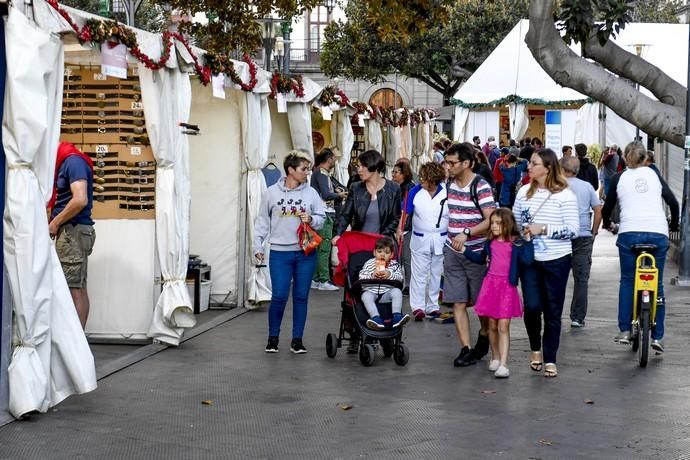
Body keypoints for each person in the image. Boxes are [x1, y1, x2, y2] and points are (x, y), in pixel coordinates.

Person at [602, 141, 679, 353]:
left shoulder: (619, 178)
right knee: (659, 284)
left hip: (629, 234)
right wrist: (672, 225)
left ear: (625, 158)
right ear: (645, 158)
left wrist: (607, 223)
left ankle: (625, 330)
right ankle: (658, 336)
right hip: (658, 234)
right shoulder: (654, 175)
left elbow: (608, 206)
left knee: (628, 280)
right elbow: (673, 202)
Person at [513, 148, 578, 378]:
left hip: (557, 261)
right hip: (530, 259)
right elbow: (516, 224)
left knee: (553, 310)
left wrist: (544, 229)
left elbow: (573, 230)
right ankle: (535, 349)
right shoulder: (523, 193)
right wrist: (523, 232)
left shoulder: (565, 195)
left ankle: (550, 357)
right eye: (530, 163)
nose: (529, 167)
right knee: (531, 307)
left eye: (534, 163)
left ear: (548, 167)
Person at [254, 152, 326, 354]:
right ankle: (273, 337)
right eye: (303, 169)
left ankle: (297, 339)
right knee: (278, 296)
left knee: (301, 297)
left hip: (305, 253)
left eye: (308, 169)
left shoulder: (311, 193)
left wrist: (311, 219)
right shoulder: (271, 193)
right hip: (279, 252)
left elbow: (322, 217)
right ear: (290, 170)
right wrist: (257, 247)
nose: (307, 173)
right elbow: (262, 221)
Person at [461, 208, 534, 378]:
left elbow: (528, 260)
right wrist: (464, 250)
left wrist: (529, 241)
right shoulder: (489, 243)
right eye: (492, 223)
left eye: (498, 223)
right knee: (492, 326)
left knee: (503, 326)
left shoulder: (516, 243)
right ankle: (494, 357)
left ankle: (503, 363)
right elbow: (480, 259)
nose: (493, 226)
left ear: (507, 224)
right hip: (490, 286)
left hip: (507, 288)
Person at [443, 142, 497, 367]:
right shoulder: (449, 184)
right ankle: (465, 348)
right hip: (451, 251)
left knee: (480, 303)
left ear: (466, 163)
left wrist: (467, 233)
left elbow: (491, 219)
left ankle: (484, 334)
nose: (447, 166)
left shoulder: (480, 186)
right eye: (446, 162)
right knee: (457, 301)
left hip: (475, 252)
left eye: (452, 162)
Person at [49, 141, 96, 329]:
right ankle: (79, 344)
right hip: (74, 231)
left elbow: (80, 199)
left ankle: (75, 345)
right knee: (78, 287)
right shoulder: (69, 160)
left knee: (72, 289)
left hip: (72, 232)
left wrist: (55, 222)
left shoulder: (72, 161)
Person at [560, 156, 602, 328]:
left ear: (562, 168)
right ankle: (577, 317)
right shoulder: (587, 187)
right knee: (581, 279)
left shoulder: (555, 186)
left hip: (560, 236)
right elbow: (598, 211)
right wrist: (593, 232)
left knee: (556, 277)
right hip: (583, 236)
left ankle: (553, 313)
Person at [404, 162, 448, 321]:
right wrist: (399, 231)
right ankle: (418, 307)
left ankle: (433, 305)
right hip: (420, 238)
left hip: (440, 238)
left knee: (436, 273)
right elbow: (405, 213)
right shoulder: (415, 191)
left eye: (424, 178)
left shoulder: (447, 193)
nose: (420, 180)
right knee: (419, 273)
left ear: (433, 179)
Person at [333, 150, 401, 245]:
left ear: (375, 167)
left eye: (362, 166)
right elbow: (345, 215)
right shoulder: (355, 187)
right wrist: (338, 234)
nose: (359, 170)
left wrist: (382, 238)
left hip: (383, 245)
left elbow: (395, 218)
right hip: (360, 243)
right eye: (358, 166)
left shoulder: (393, 188)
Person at [310, 149, 347, 291]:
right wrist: (340, 195)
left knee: (318, 247)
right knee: (324, 248)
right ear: (328, 159)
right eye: (333, 158)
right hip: (325, 213)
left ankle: (315, 278)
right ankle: (323, 279)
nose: (335, 161)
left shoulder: (319, 173)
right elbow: (326, 194)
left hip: (320, 213)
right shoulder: (321, 173)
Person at [359, 236, 410, 330]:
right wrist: (372, 275)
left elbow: (400, 278)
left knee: (397, 292)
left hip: (387, 293)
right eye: (379, 252)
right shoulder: (369, 263)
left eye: (386, 253)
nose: (382, 255)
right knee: (365, 296)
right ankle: (375, 318)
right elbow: (361, 277)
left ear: (391, 255)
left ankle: (397, 316)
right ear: (374, 252)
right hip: (372, 291)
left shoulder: (394, 265)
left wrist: (389, 274)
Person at [392, 159, 416, 295]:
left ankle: (408, 284)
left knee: (406, 257)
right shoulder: (394, 187)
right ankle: (396, 282)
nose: (393, 175)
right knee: (396, 257)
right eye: (393, 172)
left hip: (406, 228)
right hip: (396, 226)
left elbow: (406, 211)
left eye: (396, 172)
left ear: (404, 174)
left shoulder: (409, 188)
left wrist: (401, 227)